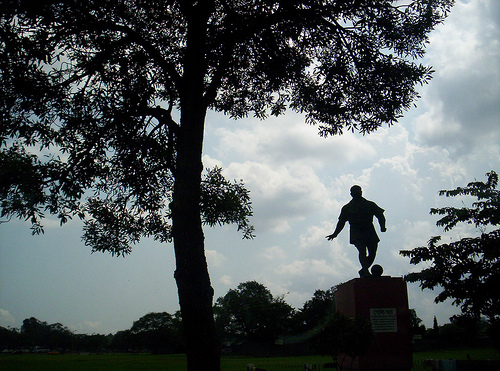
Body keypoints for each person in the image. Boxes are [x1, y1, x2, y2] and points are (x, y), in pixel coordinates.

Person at [326, 185, 386, 277]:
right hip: (356, 231)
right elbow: (341, 222)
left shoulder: (370, 204)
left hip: (369, 230)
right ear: (351, 194)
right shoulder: (347, 208)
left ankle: (363, 270)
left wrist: (382, 226)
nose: (356, 193)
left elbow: (380, 215)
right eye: (354, 191)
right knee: (362, 251)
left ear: (361, 192)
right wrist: (335, 234)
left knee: (373, 252)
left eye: (358, 191)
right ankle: (366, 272)